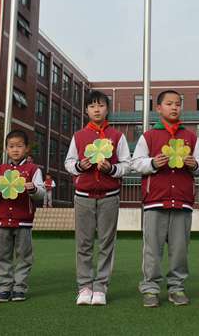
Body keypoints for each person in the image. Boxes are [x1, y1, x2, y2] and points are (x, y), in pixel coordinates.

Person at [132, 90, 199, 307]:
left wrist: (195, 164)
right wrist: (153, 163)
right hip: (154, 201)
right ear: (158, 108)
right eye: (169, 103)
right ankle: (150, 289)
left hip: (182, 202)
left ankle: (177, 287)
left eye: (177, 104)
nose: (174, 107)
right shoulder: (148, 136)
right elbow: (136, 163)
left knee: (180, 249)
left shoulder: (191, 137)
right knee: (152, 250)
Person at [65, 90, 130, 306]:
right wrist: (79, 166)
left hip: (109, 197)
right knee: (83, 243)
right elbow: (69, 163)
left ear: (107, 109)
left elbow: (127, 164)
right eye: (92, 106)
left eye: (101, 105)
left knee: (106, 243)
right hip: (83, 196)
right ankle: (84, 287)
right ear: (86, 110)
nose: (97, 110)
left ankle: (101, 287)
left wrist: (111, 169)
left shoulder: (117, 136)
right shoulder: (78, 136)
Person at [0, 130, 45, 302]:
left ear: (27, 149)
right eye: (11, 146)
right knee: (1, 256)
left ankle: (20, 287)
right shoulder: (0, 170)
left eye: (19, 146)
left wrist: (34, 189)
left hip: (24, 222)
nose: (15, 150)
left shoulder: (33, 170)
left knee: (24, 257)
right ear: (6, 149)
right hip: (3, 222)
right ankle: (4, 287)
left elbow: (41, 193)